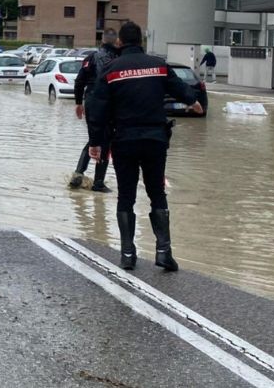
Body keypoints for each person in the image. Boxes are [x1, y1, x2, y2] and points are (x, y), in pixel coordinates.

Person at [86, 22, 203, 272]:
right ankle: (163, 252)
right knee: (157, 193)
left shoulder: (110, 70)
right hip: (155, 140)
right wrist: (193, 102)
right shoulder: (158, 65)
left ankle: (128, 254)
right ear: (141, 40)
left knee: (125, 196)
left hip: (124, 141)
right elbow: (179, 88)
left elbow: (96, 110)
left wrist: (95, 142)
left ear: (119, 43)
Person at [70, 29, 119, 192]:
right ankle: (98, 182)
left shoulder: (90, 58)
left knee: (95, 137)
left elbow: (79, 81)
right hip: (109, 102)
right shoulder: (118, 58)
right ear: (116, 41)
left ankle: (79, 172)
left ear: (102, 41)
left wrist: (79, 103)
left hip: (91, 101)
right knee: (106, 140)